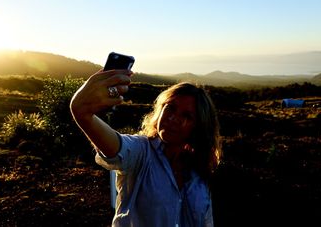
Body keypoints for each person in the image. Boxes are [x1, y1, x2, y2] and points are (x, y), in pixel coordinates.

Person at [70, 69, 221, 227]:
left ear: (198, 127)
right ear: (160, 110)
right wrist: (82, 111)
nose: (173, 118)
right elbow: (117, 146)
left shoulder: (199, 171)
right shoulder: (141, 151)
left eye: (187, 116)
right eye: (170, 107)